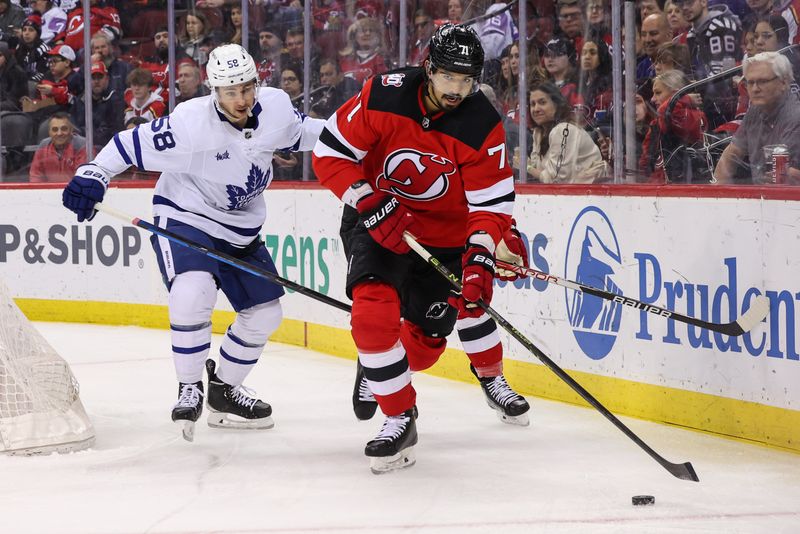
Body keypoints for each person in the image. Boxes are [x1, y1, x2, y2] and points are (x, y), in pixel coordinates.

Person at [61, 44, 326, 440]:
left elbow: (304, 132)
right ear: (213, 90)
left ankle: (224, 390)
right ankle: (189, 387)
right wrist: (94, 173)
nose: (242, 99)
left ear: (258, 83)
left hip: (240, 227)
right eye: (231, 91)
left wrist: (361, 141)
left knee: (266, 314)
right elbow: (126, 145)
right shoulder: (189, 124)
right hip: (187, 214)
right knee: (192, 290)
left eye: (247, 88)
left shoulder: (274, 107)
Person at [312, 24, 531, 474]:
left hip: (445, 240)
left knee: (427, 349)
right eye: (449, 77)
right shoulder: (384, 94)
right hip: (379, 220)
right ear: (429, 68)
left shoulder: (481, 123)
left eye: (467, 80)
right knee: (372, 314)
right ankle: (400, 418)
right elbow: (330, 152)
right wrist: (367, 199)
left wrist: (480, 257)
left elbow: (490, 206)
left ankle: (378, 368)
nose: (457, 90)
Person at [715, 51, 800, 184]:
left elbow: (782, 178)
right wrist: (716, 196)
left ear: (783, 82)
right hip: (760, 198)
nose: (755, 89)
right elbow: (730, 156)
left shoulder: (796, 117)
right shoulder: (755, 110)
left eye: (762, 81)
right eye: (750, 82)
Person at [523, 82, 608, 183]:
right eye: (532, 104)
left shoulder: (563, 129)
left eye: (542, 102)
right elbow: (538, 168)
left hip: (593, 193)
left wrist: (527, 167)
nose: (536, 109)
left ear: (556, 104)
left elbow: (556, 180)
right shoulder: (538, 133)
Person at [677, 0, 742, 128]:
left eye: (689, 3)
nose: (684, 8)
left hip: (725, 105)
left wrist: (693, 88)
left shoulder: (720, 26)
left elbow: (722, 75)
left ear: (703, 2)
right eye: (680, 4)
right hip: (708, 100)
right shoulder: (692, 34)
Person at [639, 69, 710, 183]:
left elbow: (669, 113)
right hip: (657, 187)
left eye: (658, 93)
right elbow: (645, 162)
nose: (652, 99)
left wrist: (679, 99)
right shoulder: (656, 122)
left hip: (682, 188)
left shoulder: (695, 117)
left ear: (675, 93)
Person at [71, 61, 124, 148]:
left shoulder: (116, 100)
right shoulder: (80, 101)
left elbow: (114, 130)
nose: (96, 81)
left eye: (100, 77)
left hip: (107, 147)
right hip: (82, 146)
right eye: (93, 78)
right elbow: (74, 126)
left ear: (107, 79)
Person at [29, 111, 88, 183]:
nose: (59, 133)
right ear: (49, 132)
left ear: (71, 130)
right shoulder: (43, 146)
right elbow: (35, 177)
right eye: (55, 130)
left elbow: (82, 180)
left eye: (64, 129)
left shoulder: (82, 146)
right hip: (49, 192)